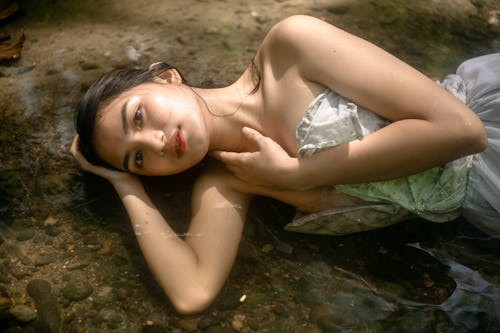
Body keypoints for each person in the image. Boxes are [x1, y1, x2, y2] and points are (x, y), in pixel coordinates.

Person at [70, 15, 498, 313]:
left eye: (138, 117)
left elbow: (460, 130)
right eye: (138, 158)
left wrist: (301, 174)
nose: (156, 143)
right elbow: (192, 293)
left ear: (164, 76)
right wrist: (124, 185)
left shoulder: (291, 47)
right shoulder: (230, 179)